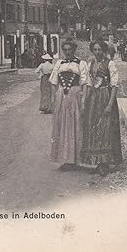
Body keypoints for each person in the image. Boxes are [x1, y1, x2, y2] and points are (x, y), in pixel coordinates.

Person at [81, 39, 122, 176]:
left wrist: (110, 104)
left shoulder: (110, 64)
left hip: (105, 97)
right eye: (95, 49)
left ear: (104, 51)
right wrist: (84, 100)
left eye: (100, 50)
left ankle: (106, 163)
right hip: (93, 99)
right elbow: (88, 83)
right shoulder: (90, 63)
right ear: (92, 50)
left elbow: (114, 85)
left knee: (106, 128)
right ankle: (94, 161)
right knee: (93, 126)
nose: (97, 52)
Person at [49, 38, 88, 171]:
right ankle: (64, 159)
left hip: (74, 95)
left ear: (74, 49)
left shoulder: (81, 63)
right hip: (62, 96)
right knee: (62, 126)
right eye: (64, 50)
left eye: (69, 49)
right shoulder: (59, 63)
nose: (67, 52)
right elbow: (54, 82)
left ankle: (76, 159)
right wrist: (54, 98)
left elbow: (85, 82)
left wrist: (83, 98)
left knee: (75, 125)